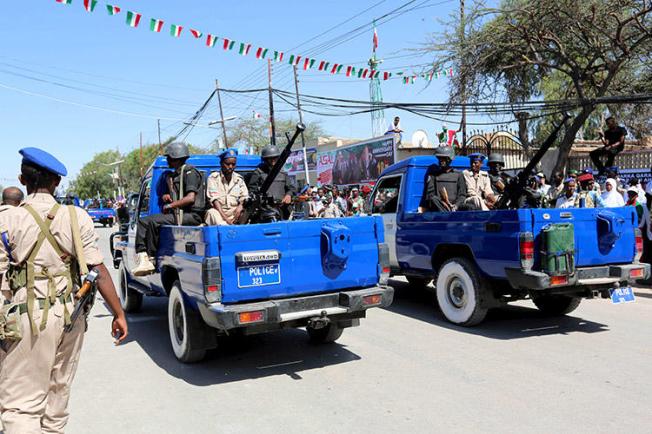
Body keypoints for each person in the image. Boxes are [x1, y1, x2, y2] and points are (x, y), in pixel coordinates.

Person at [0, 147, 127, 434]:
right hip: (71, 313)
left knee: (21, 404)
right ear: (56, 182)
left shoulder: (7, 219)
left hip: (25, 314)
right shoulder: (76, 216)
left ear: (23, 179)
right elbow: (98, 269)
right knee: (58, 392)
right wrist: (118, 313)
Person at [133, 142, 205, 276]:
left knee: (145, 222)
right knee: (153, 223)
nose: (167, 161)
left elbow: (190, 198)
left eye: (169, 158)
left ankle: (145, 257)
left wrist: (171, 205)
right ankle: (150, 258)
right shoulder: (177, 174)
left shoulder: (190, 172)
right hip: (182, 214)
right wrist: (168, 195)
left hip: (192, 216)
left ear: (175, 158)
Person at [248, 144, 297, 220]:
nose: (273, 160)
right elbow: (252, 190)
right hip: (265, 211)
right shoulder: (258, 172)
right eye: (270, 158)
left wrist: (288, 195)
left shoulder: (283, 172)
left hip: (283, 211)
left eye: (275, 158)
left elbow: (291, 188)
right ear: (265, 159)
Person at [205, 149, 249, 225]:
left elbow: (244, 197)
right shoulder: (213, 178)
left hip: (235, 213)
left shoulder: (239, 179)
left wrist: (240, 206)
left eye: (233, 164)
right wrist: (226, 220)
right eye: (227, 164)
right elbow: (215, 202)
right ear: (221, 163)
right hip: (220, 213)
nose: (231, 166)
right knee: (211, 213)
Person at [424, 146, 466, 212]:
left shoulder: (458, 174)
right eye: (440, 158)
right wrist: (443, 203)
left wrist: (456, 206)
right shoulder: (433, 175)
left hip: (455, 210)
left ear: (450, 159)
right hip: (439, 209)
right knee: (433, 199)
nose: (441, 161)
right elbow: (430, 196)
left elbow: (462, 195)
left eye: (444, 158)